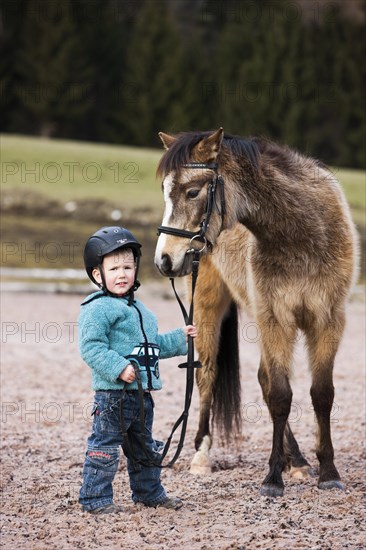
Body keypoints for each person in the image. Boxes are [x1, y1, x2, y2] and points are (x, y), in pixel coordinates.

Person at [78, 226, 197, 514]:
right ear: (98, 275)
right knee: (104, 447)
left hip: (142, 398)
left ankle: (149, 493)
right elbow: (91, 347)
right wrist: (118, 368)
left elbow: (152, 346)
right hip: (113, 397)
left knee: (144, 450)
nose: (122, 274)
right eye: (114, 268)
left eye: (128, 267)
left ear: (136, 269)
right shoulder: (97, 308)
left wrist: (181, 338)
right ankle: (95, 499)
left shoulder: (141, 309)